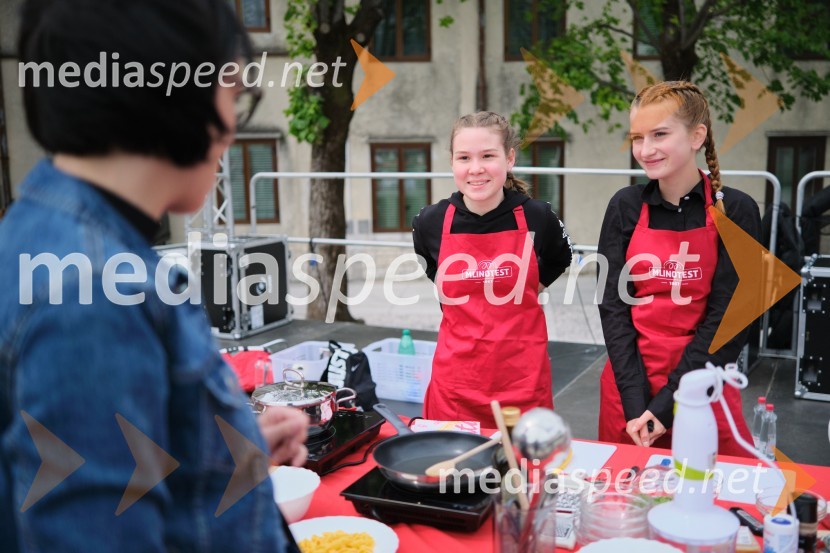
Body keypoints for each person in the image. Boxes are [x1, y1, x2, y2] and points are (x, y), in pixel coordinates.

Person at [0, 0, 307, 551]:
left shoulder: (57, 234)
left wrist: (223, 454)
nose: (234, 126)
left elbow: (117, 465)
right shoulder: (89, 290)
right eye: (233, 94)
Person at [597, 81, 759, 456]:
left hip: (704, 385)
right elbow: (612, 306)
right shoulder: (624, 205)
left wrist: (668, 403)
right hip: (629, 388)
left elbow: (728, 321)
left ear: (696, 136)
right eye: (638, 137)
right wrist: (638, 405)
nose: (646, 149)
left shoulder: (737, 211)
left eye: (660, 134)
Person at [413, 111, 573, 426]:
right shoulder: (428, 222)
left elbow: (562, 257)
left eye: (488, 155)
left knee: (523, 471)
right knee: (456, 474)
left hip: (522, 380)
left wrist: (531, 287)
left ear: (509, 158)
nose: (476, 169)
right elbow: (430, 267)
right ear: (452, 163)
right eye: (464, 158)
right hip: (456, 384)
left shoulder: (539, 217)